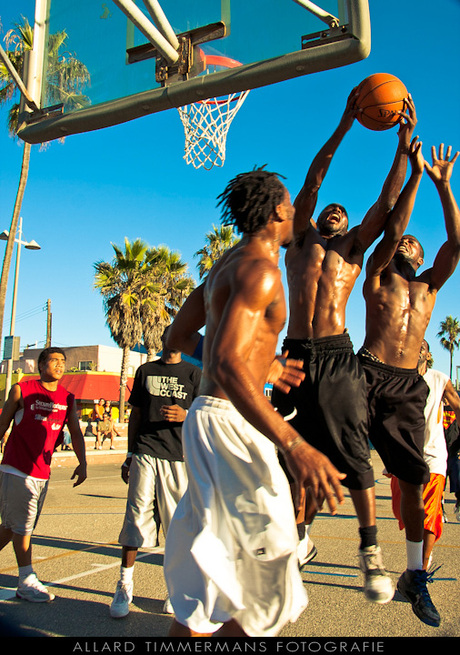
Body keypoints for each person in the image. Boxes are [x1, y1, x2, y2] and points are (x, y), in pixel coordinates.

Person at [163, 168, 346, 638]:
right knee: (274, 582)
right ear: (280, 211)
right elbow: (223, 364)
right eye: (291, 203)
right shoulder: (261, 271)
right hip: (228, 423)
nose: (296, 210)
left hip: (210, 419)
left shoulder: (227, 263)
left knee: (213, 582)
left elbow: (179, 336)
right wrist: (295, 445)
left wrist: (253, 365)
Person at [271, 91, 418, 603]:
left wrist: (401, 148)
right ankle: (296, 536)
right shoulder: (299, 238)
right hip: (292, 355)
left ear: (350, 225)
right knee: (286, 450)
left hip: (336, 356)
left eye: (341, 210)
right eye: (328, 206)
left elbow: (388, 206)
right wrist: (344, 124)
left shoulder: (354, 250)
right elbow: (313, 180)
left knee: (354, 452)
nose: (333, 209)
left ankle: (369, 553)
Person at [358, 140, 460, 627]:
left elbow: (456, 245)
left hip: (406, 387)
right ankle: (296, 540)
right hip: (365, 371)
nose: (407, 243)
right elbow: (392, 227)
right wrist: (416, 174)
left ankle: (415, 575)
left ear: (421, 259)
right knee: (318, 449)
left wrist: (444, 186)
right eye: (402, 241)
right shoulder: (376, 276)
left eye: (414, 245)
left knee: (416, 483)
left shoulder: (429, 287)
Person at [109, 327, 201, 619]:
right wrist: (129, 454)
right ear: (161, 341)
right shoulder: (146, 370)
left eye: (178, 335)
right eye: (168, 336)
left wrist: (187, 415)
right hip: (147, 452)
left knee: (177, 529)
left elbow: (206, 413)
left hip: (180, 457)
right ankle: (124, 586)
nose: (173, 340)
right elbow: (136, 413)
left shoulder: (193, 374)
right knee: (135, 520)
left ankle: (174, 590)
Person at [0, 347, 87, 602]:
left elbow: (76, 432)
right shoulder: (22, 390)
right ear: (40, 366)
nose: (60, 365)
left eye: (63, 361)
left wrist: (82, 463)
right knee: (23, 527)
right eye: (54, 361)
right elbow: (3, 422)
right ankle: (26, 580)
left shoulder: (67, 398)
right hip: (17, 467)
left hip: (42, 472)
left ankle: (25, 577)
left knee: (12, 527)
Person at [389, 340, 460, 571]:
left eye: (423, 347)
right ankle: (417, 561)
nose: (418, 348)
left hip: (433, 455)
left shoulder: (440, 379)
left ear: (428, 355)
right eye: (415, 345)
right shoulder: (398, 378)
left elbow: (457, 406)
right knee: (405, 513)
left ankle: (420, 568)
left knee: (427, 513)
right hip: (404, 455)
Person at [443, 401, 460, 521]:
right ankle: (440, 509)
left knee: (459, 479)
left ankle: (459, 504)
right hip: (439, 453)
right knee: (439, 484)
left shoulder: (457, 408)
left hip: (455, 453)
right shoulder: (435, 407)